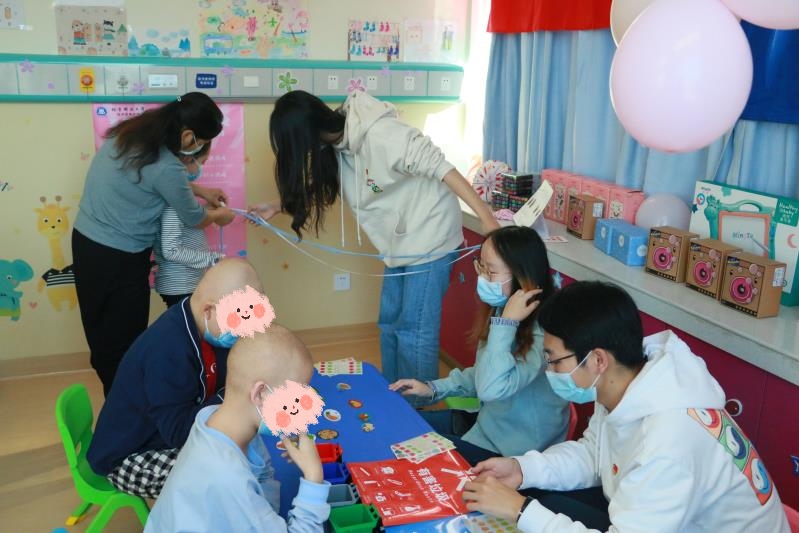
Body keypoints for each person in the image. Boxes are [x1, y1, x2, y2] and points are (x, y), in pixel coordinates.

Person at [462, 281, 790, 533]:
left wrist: (521, 510)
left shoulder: (667, 442)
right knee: (545, 499)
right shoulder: (629, 383)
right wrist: (523, 469)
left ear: (598, 360)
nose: (549, 371)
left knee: (534, 512)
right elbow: (594, 454)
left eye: (554, 360)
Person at [249, 90, 500, 398]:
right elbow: (323, 185)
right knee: (390, 323)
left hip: (431, 231)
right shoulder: (337, 146)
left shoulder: (381, 133)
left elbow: (442, 167)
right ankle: (395, 396)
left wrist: (487, 219)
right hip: (401, 242)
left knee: (414, 331)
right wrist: (277, 206)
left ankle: (418, 409)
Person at [72, 92, 236, 395]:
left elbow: (154, 177)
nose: (197, 153)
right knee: (122, 340)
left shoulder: (133, 133)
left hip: (87, 243)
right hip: (117, 257)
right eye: (200, 144)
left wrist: (200, 190)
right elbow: (194, 217)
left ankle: (123, 397)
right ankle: (125, 403)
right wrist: (219, 216)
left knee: (103, 332)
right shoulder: (167, 166)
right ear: (188, 136)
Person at [389, 226, 569, 465]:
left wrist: (505, 324)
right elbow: (482, 373)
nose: (482, 278)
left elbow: (490, 388)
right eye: (480, 267)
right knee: (396, 425)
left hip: (511, 455)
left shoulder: (541, 332)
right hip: (484, 427)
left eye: (491, 271)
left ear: (522, 275)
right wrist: (433, 388)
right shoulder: (504, 310)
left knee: (402, 448)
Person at [87, 258, 263, 498]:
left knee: (244, 448)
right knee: (225, 474)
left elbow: (225, 374)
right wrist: (234, 393)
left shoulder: (203, 325)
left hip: (162, 433)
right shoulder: (168, 350)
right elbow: (178, 432)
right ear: (209, 310)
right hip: (127, 457)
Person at [145, 327, 330, 532]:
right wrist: (314, 477)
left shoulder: (216, 417)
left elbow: (262, 474)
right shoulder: (229, 477)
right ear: (260, 393)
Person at [154, 143, 226, 308]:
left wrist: (208, 210)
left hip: (186, 283)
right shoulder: (172, 202)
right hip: (180, 285)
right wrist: (212, 259)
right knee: (187, 324)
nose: (201, 168)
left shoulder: (178, 198)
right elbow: (171, 250)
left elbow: (187, 221)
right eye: (202, 161)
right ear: (188, 159)